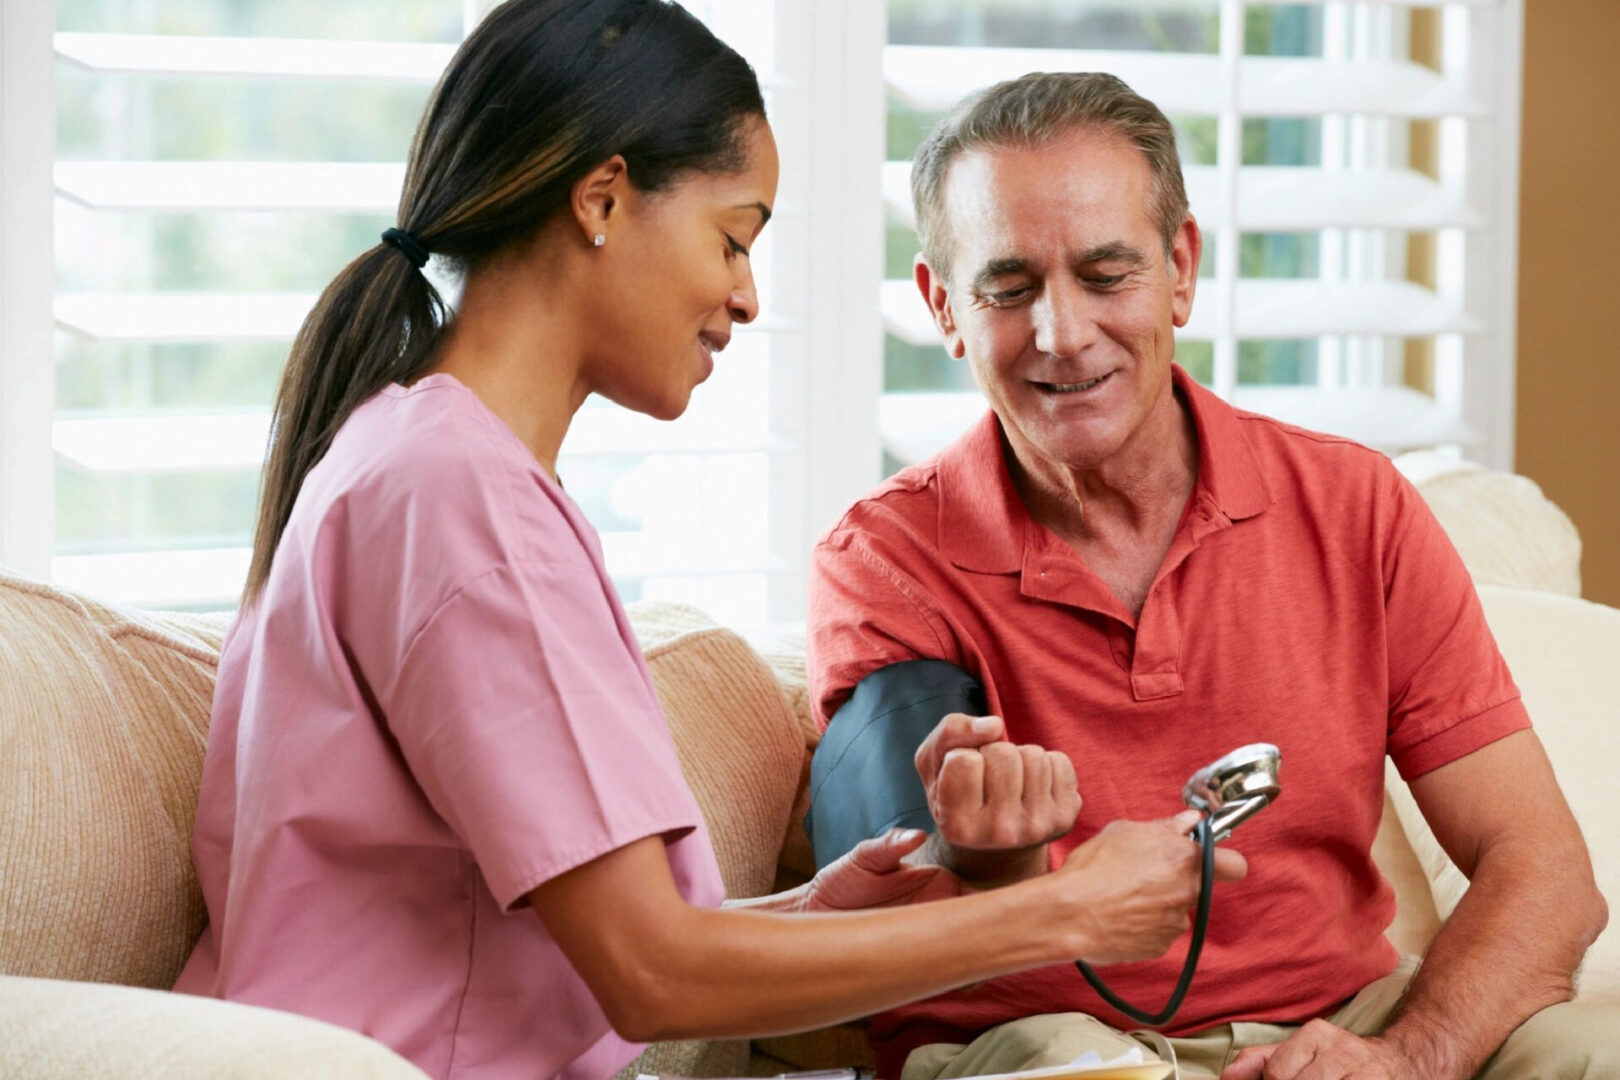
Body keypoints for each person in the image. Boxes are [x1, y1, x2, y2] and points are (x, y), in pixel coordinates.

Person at [171, 6, 1249, 1079]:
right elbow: (652, 977)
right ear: (602, 199)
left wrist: (807, 918)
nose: (745, 294)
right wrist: (1065, 911)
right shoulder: (460, 500)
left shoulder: (425, 460)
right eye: (732, 237)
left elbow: (568, 941)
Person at [806, 72, 1614, 1080]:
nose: (1062, 334)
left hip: (1348, 1023)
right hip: (1049, 1041)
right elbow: (865, 938)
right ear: (944, 307)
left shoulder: (1354, 507)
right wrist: (989, 865)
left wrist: (1408, 1058)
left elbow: (1544, 870)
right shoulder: (885, 559)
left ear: (1180, 268)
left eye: (1107, 275)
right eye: (1010, 288)